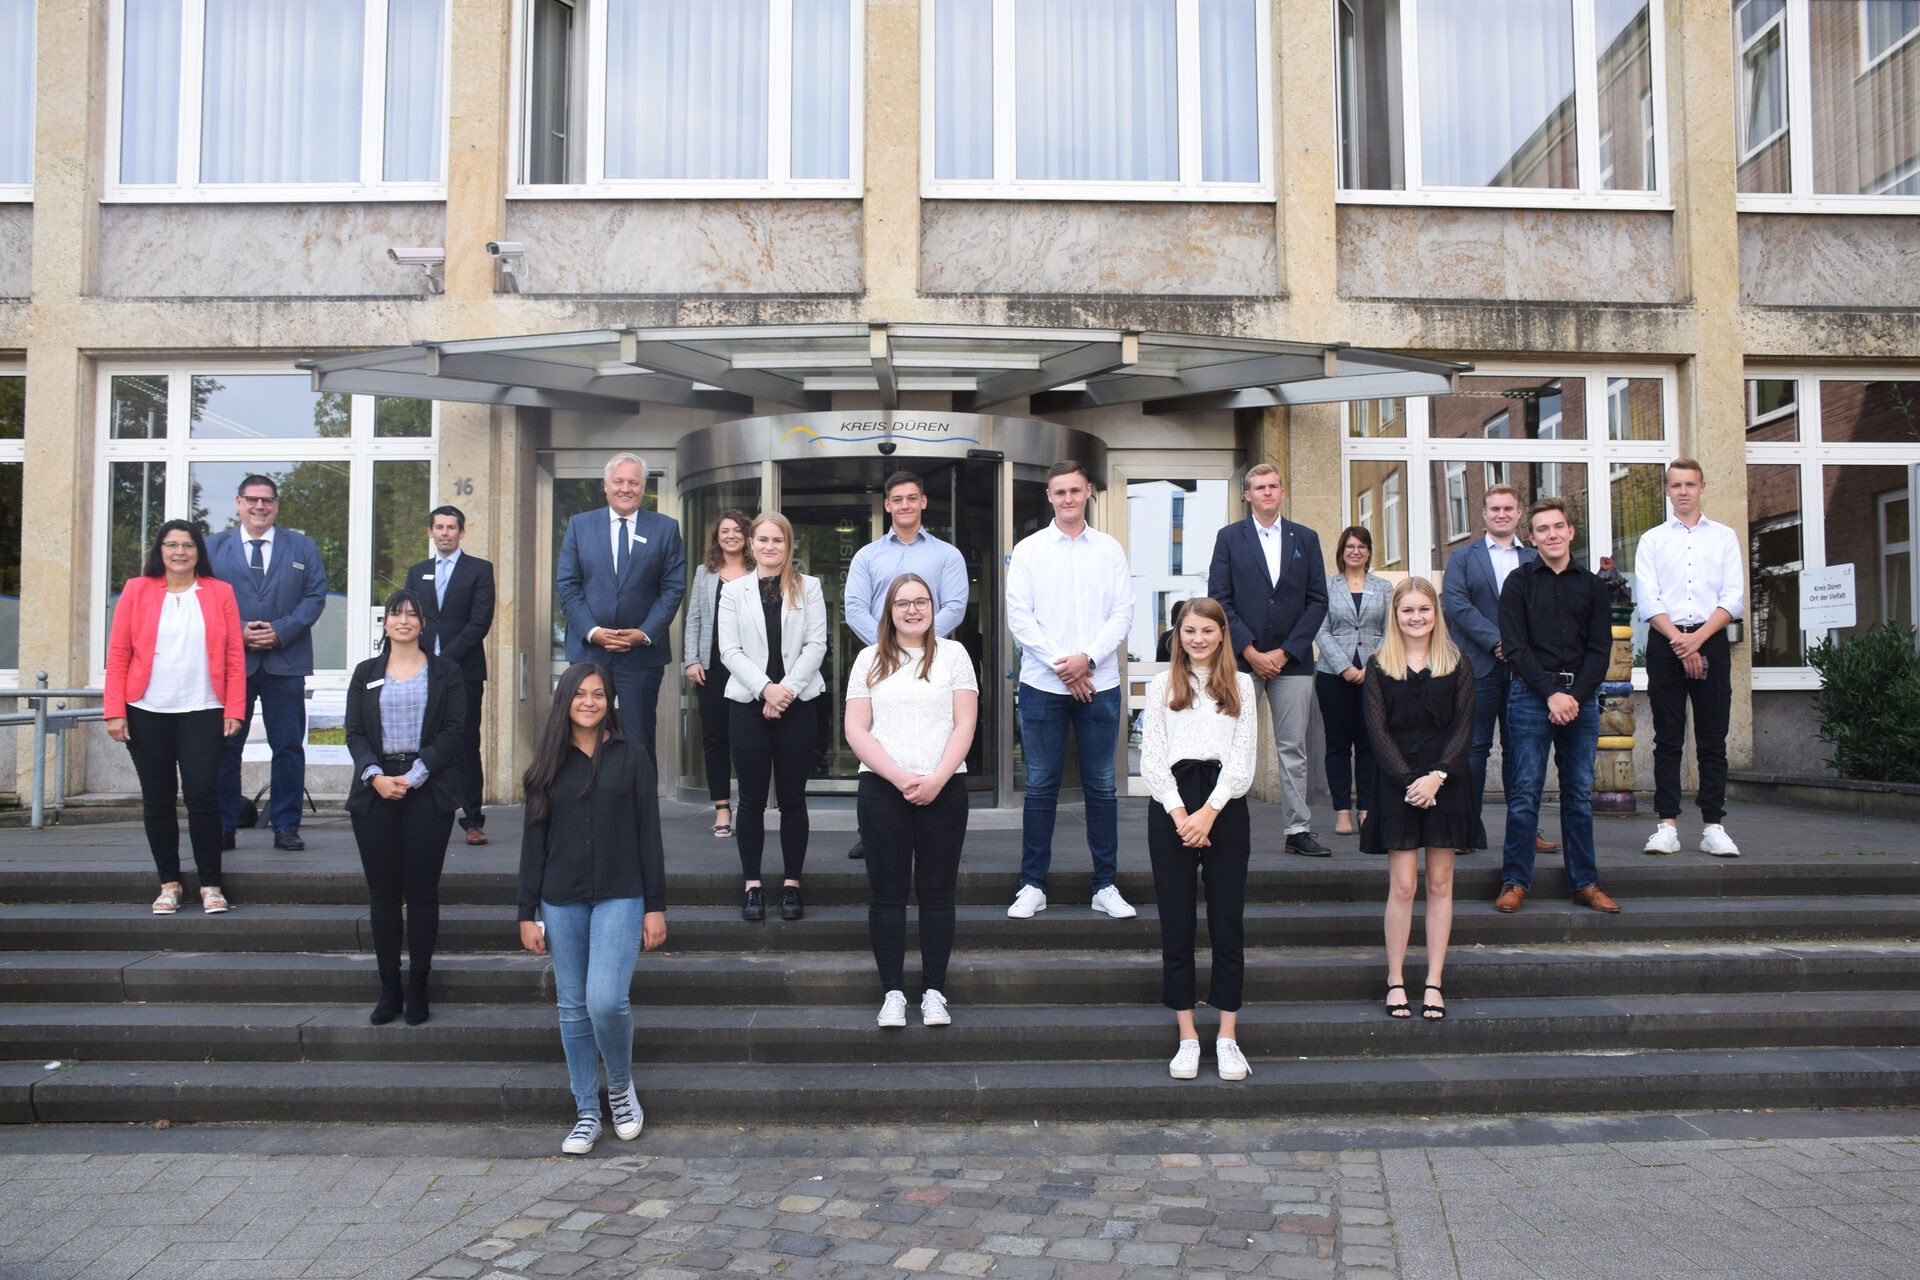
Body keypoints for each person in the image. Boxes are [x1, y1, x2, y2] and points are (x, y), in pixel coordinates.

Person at [517, 663, 667, 1155]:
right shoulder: (548, 762)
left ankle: (620, 1089)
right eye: (580, 693)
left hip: (622, 893)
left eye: (598, 694)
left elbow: (649, 834)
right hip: (561, 897)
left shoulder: (631, 755)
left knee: (605, 1000)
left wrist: (655, 907)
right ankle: (586, 1111)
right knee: (573, 1006)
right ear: (566, 700)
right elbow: (533, 843)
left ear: (609, 701)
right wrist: (526, 912)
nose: (589, 701)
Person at [844, 572, 979, 1029]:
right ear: (889, 610)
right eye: (902, 603)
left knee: (938, 894)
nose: (913, 610)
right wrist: (900, 776)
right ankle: (893, 993)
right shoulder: (868, 658)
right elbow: (856, 729)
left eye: (921, 601)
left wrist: (937, 778)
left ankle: (935, 992)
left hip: (945, 787)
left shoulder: (954, 655)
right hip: (883, 789)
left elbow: (965, 723)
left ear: (933, 608)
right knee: (886, 894)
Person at [1005, 460, 1137, 921]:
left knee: (1101, 787)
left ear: (1088, 493)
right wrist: (1066, 665)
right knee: (1040, 786)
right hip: (1044, 685)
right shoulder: (1028, 550)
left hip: (1100, 683)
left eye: (1075, 491)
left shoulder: (1110, 550)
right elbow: (1019, 617)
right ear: (1049, 496)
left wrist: (1089, 660)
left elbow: (1123, 612)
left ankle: (1105, 886)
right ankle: (1032, 885)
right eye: (1059, 491)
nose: (1067, 499)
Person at [1139, 597, 1258, 1082]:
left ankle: (1227, 1035)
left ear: (1222, 633)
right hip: (1172, 806)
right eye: (1189, 630)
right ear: (1178, 635)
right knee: (1177, 923)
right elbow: (1152, 757)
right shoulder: (1161, 684)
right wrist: (1181, 814)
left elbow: (1243, 757)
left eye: (1208, 630)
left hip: (1224, 806)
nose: (1198, 639)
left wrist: (1209, 812)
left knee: (1227, 921)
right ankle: (1188, 1035)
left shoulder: (1242, 685)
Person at [104, 521, 247, 915]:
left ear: (199, 551)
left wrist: (234, 709)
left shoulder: (220, 592)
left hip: (204, 708)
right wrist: (114, 711)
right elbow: (118, 654)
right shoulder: (137, 589)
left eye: (187, 545)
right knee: (158, 798)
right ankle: (169, 883)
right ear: (160, 550)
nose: (179, 552)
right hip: (147, 710)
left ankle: (210, 884)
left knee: (203, 796)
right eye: (171, 544)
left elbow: (235, 657)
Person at [344, 590, 469, 1026]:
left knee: (421, 894)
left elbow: (453, 731)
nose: (403, 620)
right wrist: (375, 776)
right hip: (375, 788)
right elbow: (354, 733)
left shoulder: (446, 671)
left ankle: (418, 988)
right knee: (382, 895)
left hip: (427, 788)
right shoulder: (365, 672)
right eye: (395, 614)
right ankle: (388, 989)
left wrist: (415, 775)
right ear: (384, 623)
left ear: (423, 623)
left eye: (411, 614)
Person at [1360, 578, 1482, 1021]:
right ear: (1395, 615)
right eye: (1407, 610)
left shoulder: (1458, 662)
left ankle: (1433, 981)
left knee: (1440, 884)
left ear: (1436, 613)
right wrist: (1412, 782)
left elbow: (1464, 727)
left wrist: (1437, 776)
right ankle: (1395, 980)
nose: (1416, 618)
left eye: (1424, 609)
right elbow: (1376, 732)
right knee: (1404, 886)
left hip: (1446, 782)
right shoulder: (1379, 665)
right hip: (1398, 783)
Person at [1494, 498, 1620, 915]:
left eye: (1558, 527)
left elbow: (1600, 651)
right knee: (1525, 792)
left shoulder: (1593, 586)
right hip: (1531, 697)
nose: (1552, 534)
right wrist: (1551, 694)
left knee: (1578, 795)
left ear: (1570, 532)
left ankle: (1584, 883)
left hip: (1579, 700)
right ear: (1532, 538)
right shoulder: (1518, 583)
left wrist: (1574, 697)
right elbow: (1515, 647)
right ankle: (1515, 881)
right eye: (1543, 529)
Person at [842, 470, 970, 862]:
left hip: (935, 661)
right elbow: (855, 608)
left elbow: (955, 606)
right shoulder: (867, 556)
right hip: (881, 662)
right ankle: (874, 832)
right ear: (887, 505)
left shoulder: (947, 555)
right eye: (897, 499)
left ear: (923, 502)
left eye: (912, 498)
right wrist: (891, 647)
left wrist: (922, 645)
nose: (905, 505)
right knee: (882, 734)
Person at [1207, 464, 1330, 857]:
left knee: (1293, 749)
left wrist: (1285, 651)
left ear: (1282, 491)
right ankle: (1218, 824)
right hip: (1243, 661)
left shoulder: (1305, 538)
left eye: (1273, 486)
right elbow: (1219, 599)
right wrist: (1250, 650)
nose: (1267, 492)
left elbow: (1318, 601)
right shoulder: (1229, 538)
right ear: (1247, 494)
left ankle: (1298, 830)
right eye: (1259, 487)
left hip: (1292, 662)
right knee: (1231, 745)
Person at [207, 475, 329, 852]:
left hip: (286, 661)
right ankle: (224, 826)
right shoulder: (212, 547)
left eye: (267, 500)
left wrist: (281, 631)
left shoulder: (303, 546)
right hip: (234, 663)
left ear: (276, 505)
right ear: (238, 503)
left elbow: (315, 596)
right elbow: (204, 599)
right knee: (226, 747)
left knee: (288, 747)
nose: (260, 506)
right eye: (252, 499)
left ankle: (286, 825)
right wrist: (238, 631)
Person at [718, 512, 828, 923]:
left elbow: (817, 645)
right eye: (762, 539)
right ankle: (752, 886)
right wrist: (765, 689)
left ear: (788, 544)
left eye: (777, 540)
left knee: (793, 799)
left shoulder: (808, 587)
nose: (769, 547)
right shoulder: (733, 591)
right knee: (749, 800)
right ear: (751, 544)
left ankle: (791, 885)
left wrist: (785, 692)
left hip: (797, 705)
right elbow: (729, 650)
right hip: (748, 705)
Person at [1634, 459, 1746, 858]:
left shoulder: (1724, 537)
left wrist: (1696, 640)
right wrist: (1681, 642)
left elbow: (1733, 597)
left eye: (1690, 484)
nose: (1683, 491)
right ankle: (1666, 826)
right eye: (1676, 485)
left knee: (1713, 739)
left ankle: (1713, 826)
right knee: (1667, 739)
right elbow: (1648, 601)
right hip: (1666, 642)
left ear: (1702, 487)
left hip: (1709, 639)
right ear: (1667, 490)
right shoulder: (1651, 540)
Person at [1440, 484, 1560, 856]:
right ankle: (1466, 830)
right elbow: (1456, 604)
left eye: (1509, 508)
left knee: (1522, 751)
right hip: (1478, 667)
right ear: (1484, 513)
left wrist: (1519, 648)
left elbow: (1546, 607)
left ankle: (1526, 831)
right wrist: (1497, 640)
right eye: (1495, 508)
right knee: (1474, 749)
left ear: (1519, 513)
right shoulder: (1463, 557)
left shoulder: (1535, 557)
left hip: (1526, 671)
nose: (1502, 514)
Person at [555, 452, 687, 761]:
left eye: (633, 482)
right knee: (583, 738)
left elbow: (672, 588)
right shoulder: (580, 526)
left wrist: (644, 633)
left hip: (641, 656)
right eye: (618, 481)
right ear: (605, 485)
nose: (625, 488)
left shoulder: (665, 528)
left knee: (638, 742)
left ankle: (639, 795)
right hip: (590, 653)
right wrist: (593, 631)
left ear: (643, 487)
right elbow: (568, 585)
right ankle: (586, 793)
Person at [407, 505, 495, 846]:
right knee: (424, 741)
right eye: (439, 527)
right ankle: (424, 812)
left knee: (465, 744)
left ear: (461, 532)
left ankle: (473, 820)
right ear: (430, 532)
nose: (445, 532)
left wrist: (445, 659)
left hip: (464, 672)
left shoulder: (479, 570)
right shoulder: (417, 572)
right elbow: (408, 617)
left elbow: (480, 621)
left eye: (451, 527)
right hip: (421, 671)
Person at [1314, 526, 1390, 839]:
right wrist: (1344, 666)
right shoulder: (1326, 587)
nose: (1355, 551)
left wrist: (1370, 666)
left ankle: (1366, 810)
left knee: (1369, 744)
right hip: (1333, 676)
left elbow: (1391, 631)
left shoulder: (1383, 587)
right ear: (1341, 552)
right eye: (1350, 546)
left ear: (1369, 552)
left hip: (1375, 676)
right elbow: (1320, 630)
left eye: (1361, 546)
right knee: (1338, 745)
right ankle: (1343, 811)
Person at [684, 509, 754, 839]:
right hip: (711, 667)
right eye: (725, 530)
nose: (731, 535)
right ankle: (722, 808)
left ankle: (751, 806)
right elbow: (694, 619)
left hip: (750, 667)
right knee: (715, 739)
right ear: (717, 537)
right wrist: (691, 660)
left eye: (737, 530)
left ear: (746, 536)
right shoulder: (705, 573)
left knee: (748, 738)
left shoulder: (758, 571)